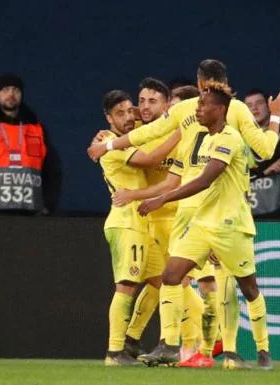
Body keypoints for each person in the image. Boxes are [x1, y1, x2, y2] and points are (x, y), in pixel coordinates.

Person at [88, 58, 280, 368]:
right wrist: (275, 117)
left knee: (181, 280)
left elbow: (153, 136)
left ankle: (186, 347)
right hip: (211, 207)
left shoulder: (192, 113)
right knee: (209, 283)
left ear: (202, 85)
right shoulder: (234, 111)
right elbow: (265, 150)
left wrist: (109, 145)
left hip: (191, 207)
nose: (199, 108)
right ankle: (214, 351)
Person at [138, 82, 273, 370]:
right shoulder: (202, 138)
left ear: (220, 109)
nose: (198, 108)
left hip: (231, 226)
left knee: (249, 289)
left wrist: (160, 199)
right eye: (197, 103)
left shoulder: (229, 138)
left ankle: (263, 353)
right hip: (202, 224)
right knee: (171, 275)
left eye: (203, 104)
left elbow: (203, 181)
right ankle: (170, 345)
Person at [112, 82, 207, 362]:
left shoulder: (187, 135)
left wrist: (134, 194)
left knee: (174, 283)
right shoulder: (140, 130)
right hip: (147, 218)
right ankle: (179, 346)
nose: (144, 107)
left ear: (167, 107)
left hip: (177, 216)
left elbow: (171, 180)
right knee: (163, 283)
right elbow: (120, 122)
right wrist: (106, 138)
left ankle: (191, 346)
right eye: (142, 101)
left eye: (153, 101)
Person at [97, 90, 180, 366]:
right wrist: (182, 131)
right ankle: (114, 352)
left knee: (163, 281)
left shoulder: (125, 137)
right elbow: (150, 159)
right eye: (119, 113)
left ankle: (132, 340)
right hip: (125, 222)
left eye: (129, 110)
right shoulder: (110, 142)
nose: (129, 116)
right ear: (108, 118)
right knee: (127, 285)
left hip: (141, 222)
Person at [0, 74, 59, 214]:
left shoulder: (35, 128)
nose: (11, 94)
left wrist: (48, 204)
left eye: (16, 90)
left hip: (29, 213)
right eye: (6, 90)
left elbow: (52, 170)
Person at [244, 88, 280, 219]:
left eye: (259, 103)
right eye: (249, 105)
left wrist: (256, 171)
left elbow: (267, 155)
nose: (254, 108)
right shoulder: (240, 135)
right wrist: (264, 172)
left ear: (269, 106)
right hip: (249, 209)